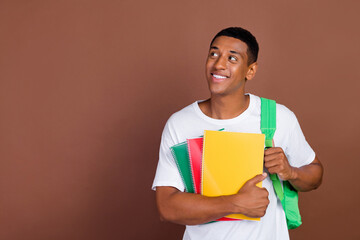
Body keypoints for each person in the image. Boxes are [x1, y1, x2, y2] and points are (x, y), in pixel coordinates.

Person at [152, 27, 323, 240]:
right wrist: (237, 202)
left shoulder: (277, 118)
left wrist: (291, 172)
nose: (219, 64)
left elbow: (315, 174)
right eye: (213, 54)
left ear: (250, 71)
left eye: (232, 58)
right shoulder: (180, 123)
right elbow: (166, 206)